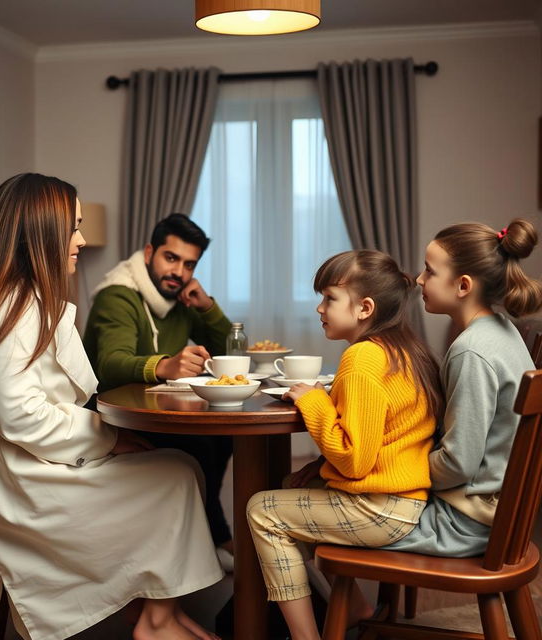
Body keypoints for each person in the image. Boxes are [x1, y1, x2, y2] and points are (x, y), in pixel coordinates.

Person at [0, 174, 224, 640]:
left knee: (182, 468)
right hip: (24, 482)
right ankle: (156, 620)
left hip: (20, 466)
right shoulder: (13, 310)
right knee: (176, 474)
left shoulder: (13, 300)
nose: (82, 239)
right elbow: (23, 416)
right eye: (73, 228)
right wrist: (109, 440)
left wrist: (109, 440)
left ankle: (158, 614)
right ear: (40, 232)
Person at [246, 250, 443, 640]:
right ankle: (354, 606)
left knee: (261, 510)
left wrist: (314, 400)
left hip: (383, 508)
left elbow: (354, 460)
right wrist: (319, 463)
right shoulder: (403, 347)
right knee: (291, 486)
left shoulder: (362, 359)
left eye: (329, 298)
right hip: (405, 498)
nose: (319, 308)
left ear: (364, 307)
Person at [383, 218, 542, 558]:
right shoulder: (502, 330)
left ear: (463, 286)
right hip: (490, 515)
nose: (419, 279)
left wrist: (394, 468)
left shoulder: (472, 351)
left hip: (463, 524)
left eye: (429, 272)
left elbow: (458, 464)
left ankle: (351, 609)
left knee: (329, 510)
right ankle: (358, 608)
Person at [84, 213, 234, 563]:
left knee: (223, 437)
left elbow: (229, 353)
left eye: (189, 264)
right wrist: (165, 365)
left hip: (153, 410)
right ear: (149, 252)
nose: (179, 272)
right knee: (200, 446)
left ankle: (204, 533)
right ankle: (209, 537)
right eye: (171, 258)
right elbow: (109, 364)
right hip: (109, 414)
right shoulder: (118, 296)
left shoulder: (180, 297)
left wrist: (207, 307)